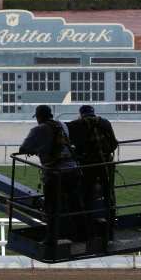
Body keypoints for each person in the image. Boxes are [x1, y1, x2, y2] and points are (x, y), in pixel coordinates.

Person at [18, 104, 88, 243]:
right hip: (73, 170)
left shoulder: (38, 129)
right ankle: (85, 235)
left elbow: (23, 149)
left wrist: (37, 149)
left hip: (55, 173)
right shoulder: (63, 125)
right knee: (77, 206)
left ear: (39, 117)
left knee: (52, 208)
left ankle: (51, 239)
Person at [67, 105, 119, 239]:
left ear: (81, 114)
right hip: (106, 165)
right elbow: (113, 144)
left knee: (86, 197)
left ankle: (87, 231)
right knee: (110, 196)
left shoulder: (76, 124)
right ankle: (110, 230)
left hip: (87, 166)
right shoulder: (104, 122)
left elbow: (72, 146)